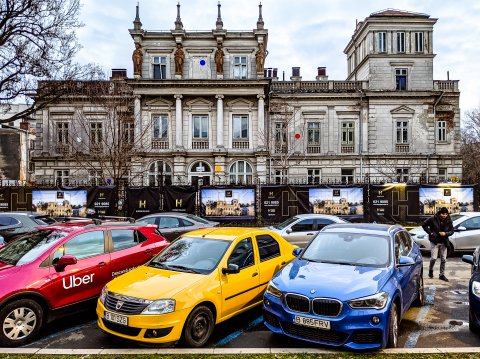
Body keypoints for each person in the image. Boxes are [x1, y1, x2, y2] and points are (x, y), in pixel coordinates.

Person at [422, 207, 454, 281]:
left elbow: (452, 231)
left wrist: (445, 233)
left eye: (446, 214)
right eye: (443, 214)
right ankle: (430, 270)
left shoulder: (449, 220)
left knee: (443, 259)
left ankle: (441, 274)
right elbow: (424, 225)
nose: (444, 215)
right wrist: (430, 232)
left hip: (444, 242)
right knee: (434, 258)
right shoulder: (433, 218)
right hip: (435, 241)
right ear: (440, 213)